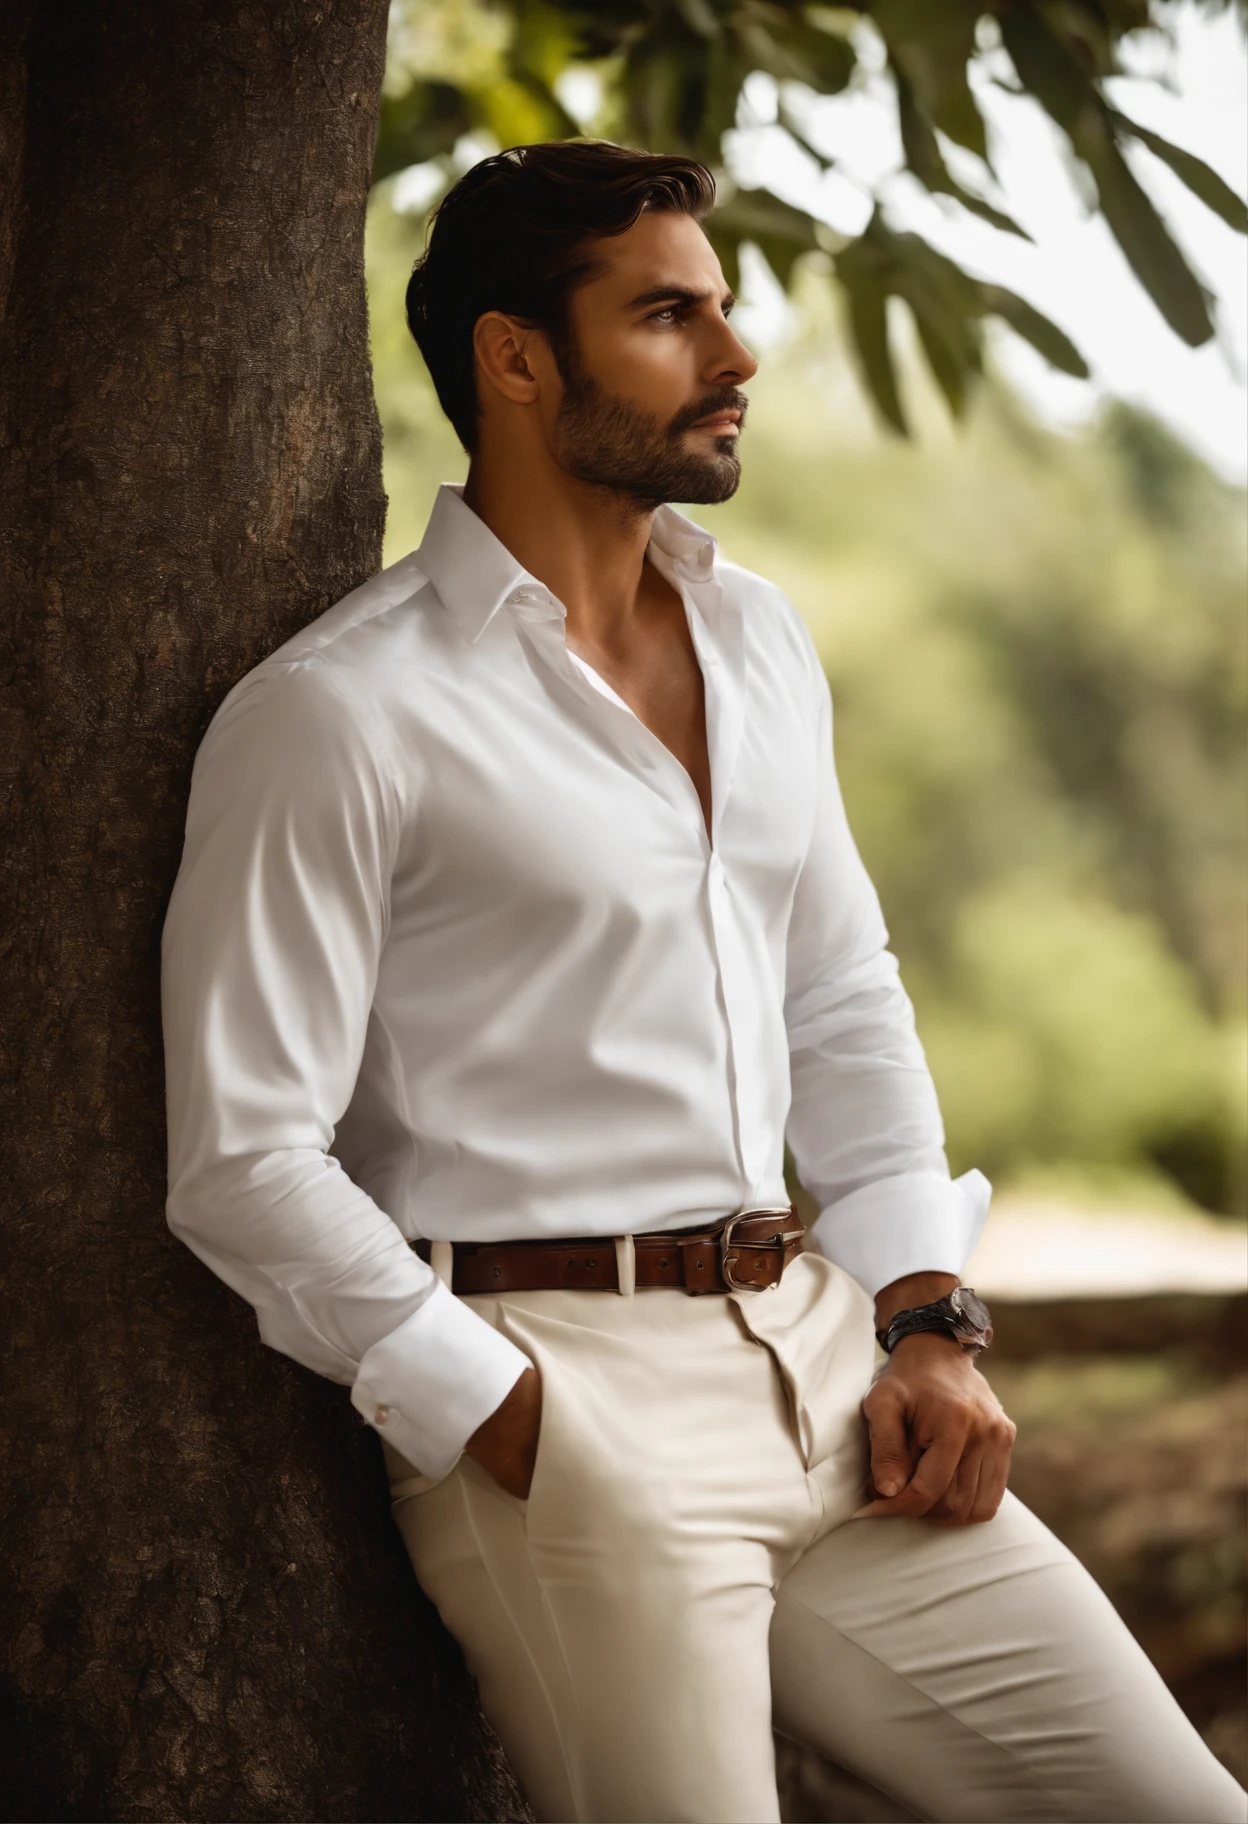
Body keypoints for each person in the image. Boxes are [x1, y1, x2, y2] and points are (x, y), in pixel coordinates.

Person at [160, 141, 1246, 1824]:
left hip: (829, 1374)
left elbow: (841, 995)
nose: (736, 361)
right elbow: (242, 1156)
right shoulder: (339, 714)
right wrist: (501, 1415)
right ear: (516, 358)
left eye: (722, 313)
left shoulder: (761, 646)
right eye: (670, 316)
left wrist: (927, 1318)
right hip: (569, 1412)